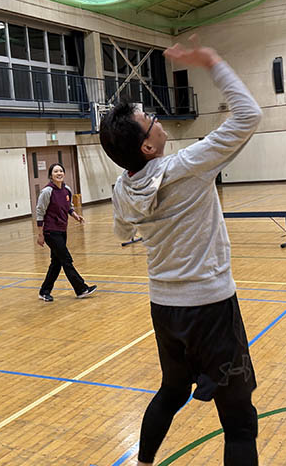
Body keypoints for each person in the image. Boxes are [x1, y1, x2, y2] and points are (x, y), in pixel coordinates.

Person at [99, 36, 261, 466]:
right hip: (210, 306)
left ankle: (145, 461)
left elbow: (121, 232)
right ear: (148, 147)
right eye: (150, 119)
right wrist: (211, 60)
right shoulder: (185, 166)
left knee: (172, 390)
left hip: (165, 308)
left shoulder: (121, 187)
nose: (156, 119)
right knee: (240, 422)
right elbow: (249, 114)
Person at [35, 163, 97, 302]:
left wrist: (75, 215)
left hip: (62, 229)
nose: (59, 173)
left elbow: (68, 207)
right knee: (66, 260)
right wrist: (40, 234)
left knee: (56, 263)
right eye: (56, 171)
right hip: (50, 231)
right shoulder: (47, 192)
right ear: (51, 175)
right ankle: (81, 288)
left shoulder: (67, 189)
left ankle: (44, 291)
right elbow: (40, 212)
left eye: (61, 171)